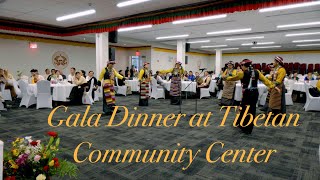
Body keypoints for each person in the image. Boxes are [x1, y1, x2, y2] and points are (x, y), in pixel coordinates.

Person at [226, 59, 275, 134]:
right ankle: (247, 128)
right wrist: (272, 86)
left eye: (241, 66)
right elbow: (265, 80)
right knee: (252, 110)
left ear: (243, 66)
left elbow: (233, 78)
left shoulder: (241, 73)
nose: (241, 67)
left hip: (247, 93)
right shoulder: (257, 71)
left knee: (244, 109)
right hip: (255, 93)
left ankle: (244, 126)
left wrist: (225, 77)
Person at [269, 56, 287, 124]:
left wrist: (271, 84)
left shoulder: (282, 70)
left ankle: (278, 118)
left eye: (274, 61)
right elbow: (272, 78)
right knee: (273, 103)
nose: (273, 62)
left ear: (277, 62)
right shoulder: (276, 69)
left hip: (278, 87)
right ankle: (275, 117)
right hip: (274, 87)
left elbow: (278, 81)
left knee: (277, 103)